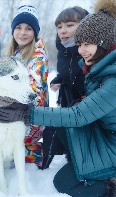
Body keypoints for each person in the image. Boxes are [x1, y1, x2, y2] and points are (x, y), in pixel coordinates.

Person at [0, 0, 116, 197]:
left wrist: (26, 113)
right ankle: (90, 166)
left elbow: (79, 116)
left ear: (103, 42)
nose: (81, 50)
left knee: (64, 182)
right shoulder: (103, 65)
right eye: (79, 44)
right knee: (61, 128)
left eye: (87, 44)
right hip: (108, 135)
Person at [42, 6, 89, 169]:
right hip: (68, 103)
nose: (63, 31)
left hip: (89, 109)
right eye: (59, 26)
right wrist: (58, 79)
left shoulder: (89, 50)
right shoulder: (62, 50)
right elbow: (67, 73)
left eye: (69, 25)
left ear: (84, 25)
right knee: (53, 126)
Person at [8, 4, 49, 168]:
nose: (22, 33)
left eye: (28, 28)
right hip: (19, 111)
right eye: (18, 27)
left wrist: (7, 105)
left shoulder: (37, 55)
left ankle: (37, 153)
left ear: (35, 32)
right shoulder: (17, 52)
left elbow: (34, 92)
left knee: (3, 146)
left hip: (31, 117)